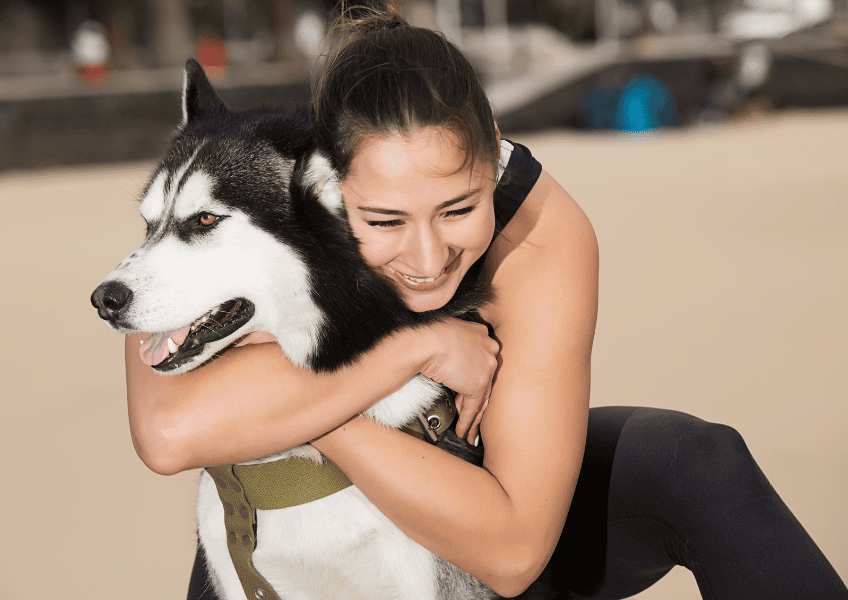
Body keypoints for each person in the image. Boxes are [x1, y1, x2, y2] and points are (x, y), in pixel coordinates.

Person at [125, 7, 848, 600]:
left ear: (493, 154)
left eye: (458, 208)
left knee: (696, 461)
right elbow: (168, 432)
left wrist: (313, 405)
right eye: (382, 221)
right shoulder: (251, 192)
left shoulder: (541, 236)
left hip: (477, 523)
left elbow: (512, 549)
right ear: (327, 186)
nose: (429, 256)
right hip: (287, 524)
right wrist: (414, 348)